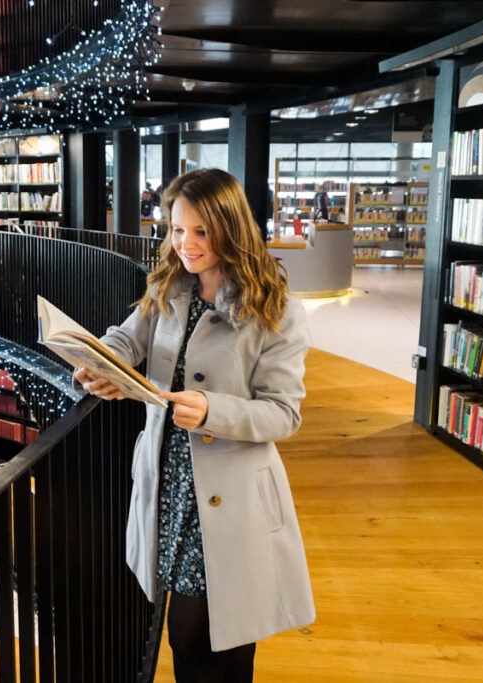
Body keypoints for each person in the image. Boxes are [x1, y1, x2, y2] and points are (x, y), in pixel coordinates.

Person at [73, 168, 315, 682]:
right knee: (183, 633)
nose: (186, 243)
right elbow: (127, 338)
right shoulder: (169, 286)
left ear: (231, 227)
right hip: (170, 485)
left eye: (201, 231)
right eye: (177, 229)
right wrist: (102, 363)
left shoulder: (276, 310)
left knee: (212, 635)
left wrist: (211, 409)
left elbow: (284, 413)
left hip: (226, 494)